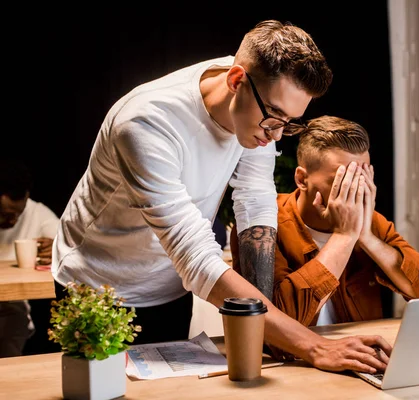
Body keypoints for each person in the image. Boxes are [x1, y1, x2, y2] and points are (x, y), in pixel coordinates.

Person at [52, 20, 390, 373]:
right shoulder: (145, 123)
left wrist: (267, 330)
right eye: (274, 117)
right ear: (235, 81)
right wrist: (315, 347)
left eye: (289, 123)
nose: (276, 136)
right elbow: (195, 256)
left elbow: (255, 200)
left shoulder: (257, 110)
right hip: (96, 287)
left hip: (169, 287)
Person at [231, 116, 419, 328]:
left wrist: (366, 237)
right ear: (302, 179)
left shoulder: (372, 224)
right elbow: (278, 325)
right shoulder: (264, 225)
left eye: (361, 178)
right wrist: (344, 237)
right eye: (342, 180)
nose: (355, 190)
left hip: (359, 354)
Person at [0, 159, 59, 357]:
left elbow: (64, 240)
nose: (14, 221)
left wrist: (57, 247)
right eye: (6, 215)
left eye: (19, 214)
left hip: (10, 308)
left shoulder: (36, 213)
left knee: (15, 319)